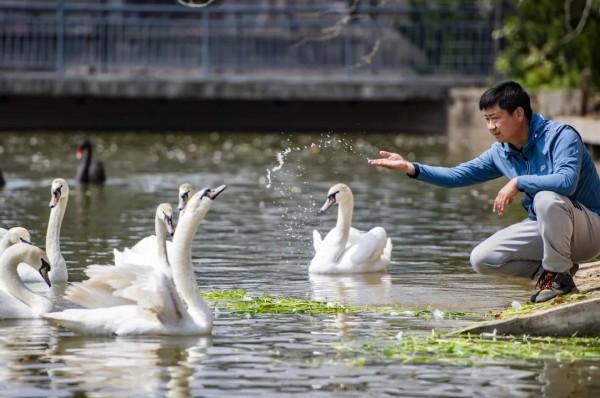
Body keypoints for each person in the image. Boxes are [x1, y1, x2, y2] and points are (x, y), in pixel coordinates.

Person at [368, 81, 600, 303]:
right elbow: (456, 176)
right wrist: (410, 167)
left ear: (519, 114)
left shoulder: (561, 136)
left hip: (589, 230)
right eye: (487, 119)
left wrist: (518, 182)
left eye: (496, 119)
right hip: (549, 229)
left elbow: (567, 182)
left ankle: (557, 277)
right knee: (483, 259)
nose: (491, 127)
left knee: (545, 198)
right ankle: (561, 273)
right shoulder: (501, 152)